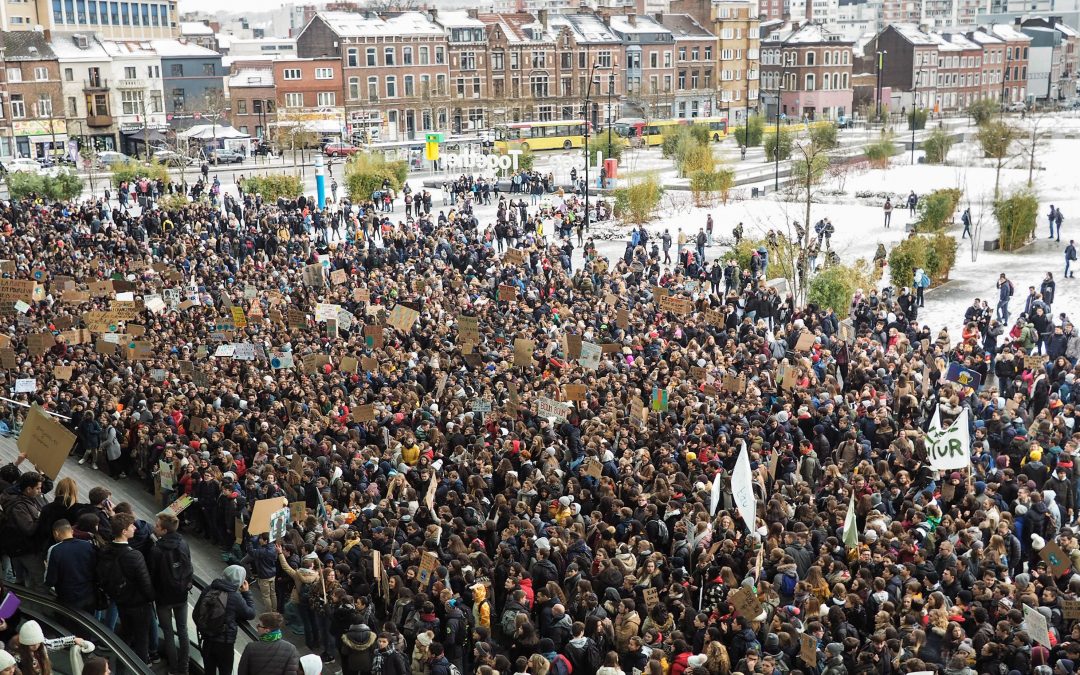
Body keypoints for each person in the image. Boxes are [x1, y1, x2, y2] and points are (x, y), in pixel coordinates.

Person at [98, 512, 154, 663]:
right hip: (139, 605)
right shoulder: (134, 556)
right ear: (124, 531)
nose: (135, 528)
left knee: (126, 633)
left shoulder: (105, 550)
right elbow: (145, 583)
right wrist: (151, 598)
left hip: (120, 601)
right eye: (131, 526)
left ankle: (119, 664)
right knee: (142, 640)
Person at [149, 512, 193, 675]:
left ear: (164, 531)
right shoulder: (183, 543)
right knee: (183, 631)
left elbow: (152, 574)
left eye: (157, 525)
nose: (155, 527)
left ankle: (174, 669)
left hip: (163, 597)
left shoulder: (156, 550)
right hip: (181, 594)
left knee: (168, 633)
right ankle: (184, 668)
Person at [194, 565, 256, 675]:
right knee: (225, 671)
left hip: (207, 639)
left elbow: (196, 613)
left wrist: (205, 630)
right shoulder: (235, 597)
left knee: (209, 670)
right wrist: (246, 593)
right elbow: (250, 613)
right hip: (225, 643)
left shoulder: (209, 588)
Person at [44, 519, 96, 610]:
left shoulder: (55, 550)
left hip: (67, 600)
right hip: (88, 596)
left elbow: (50, 580)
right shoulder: (87, 545)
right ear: (71, 531)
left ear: (56, 533)